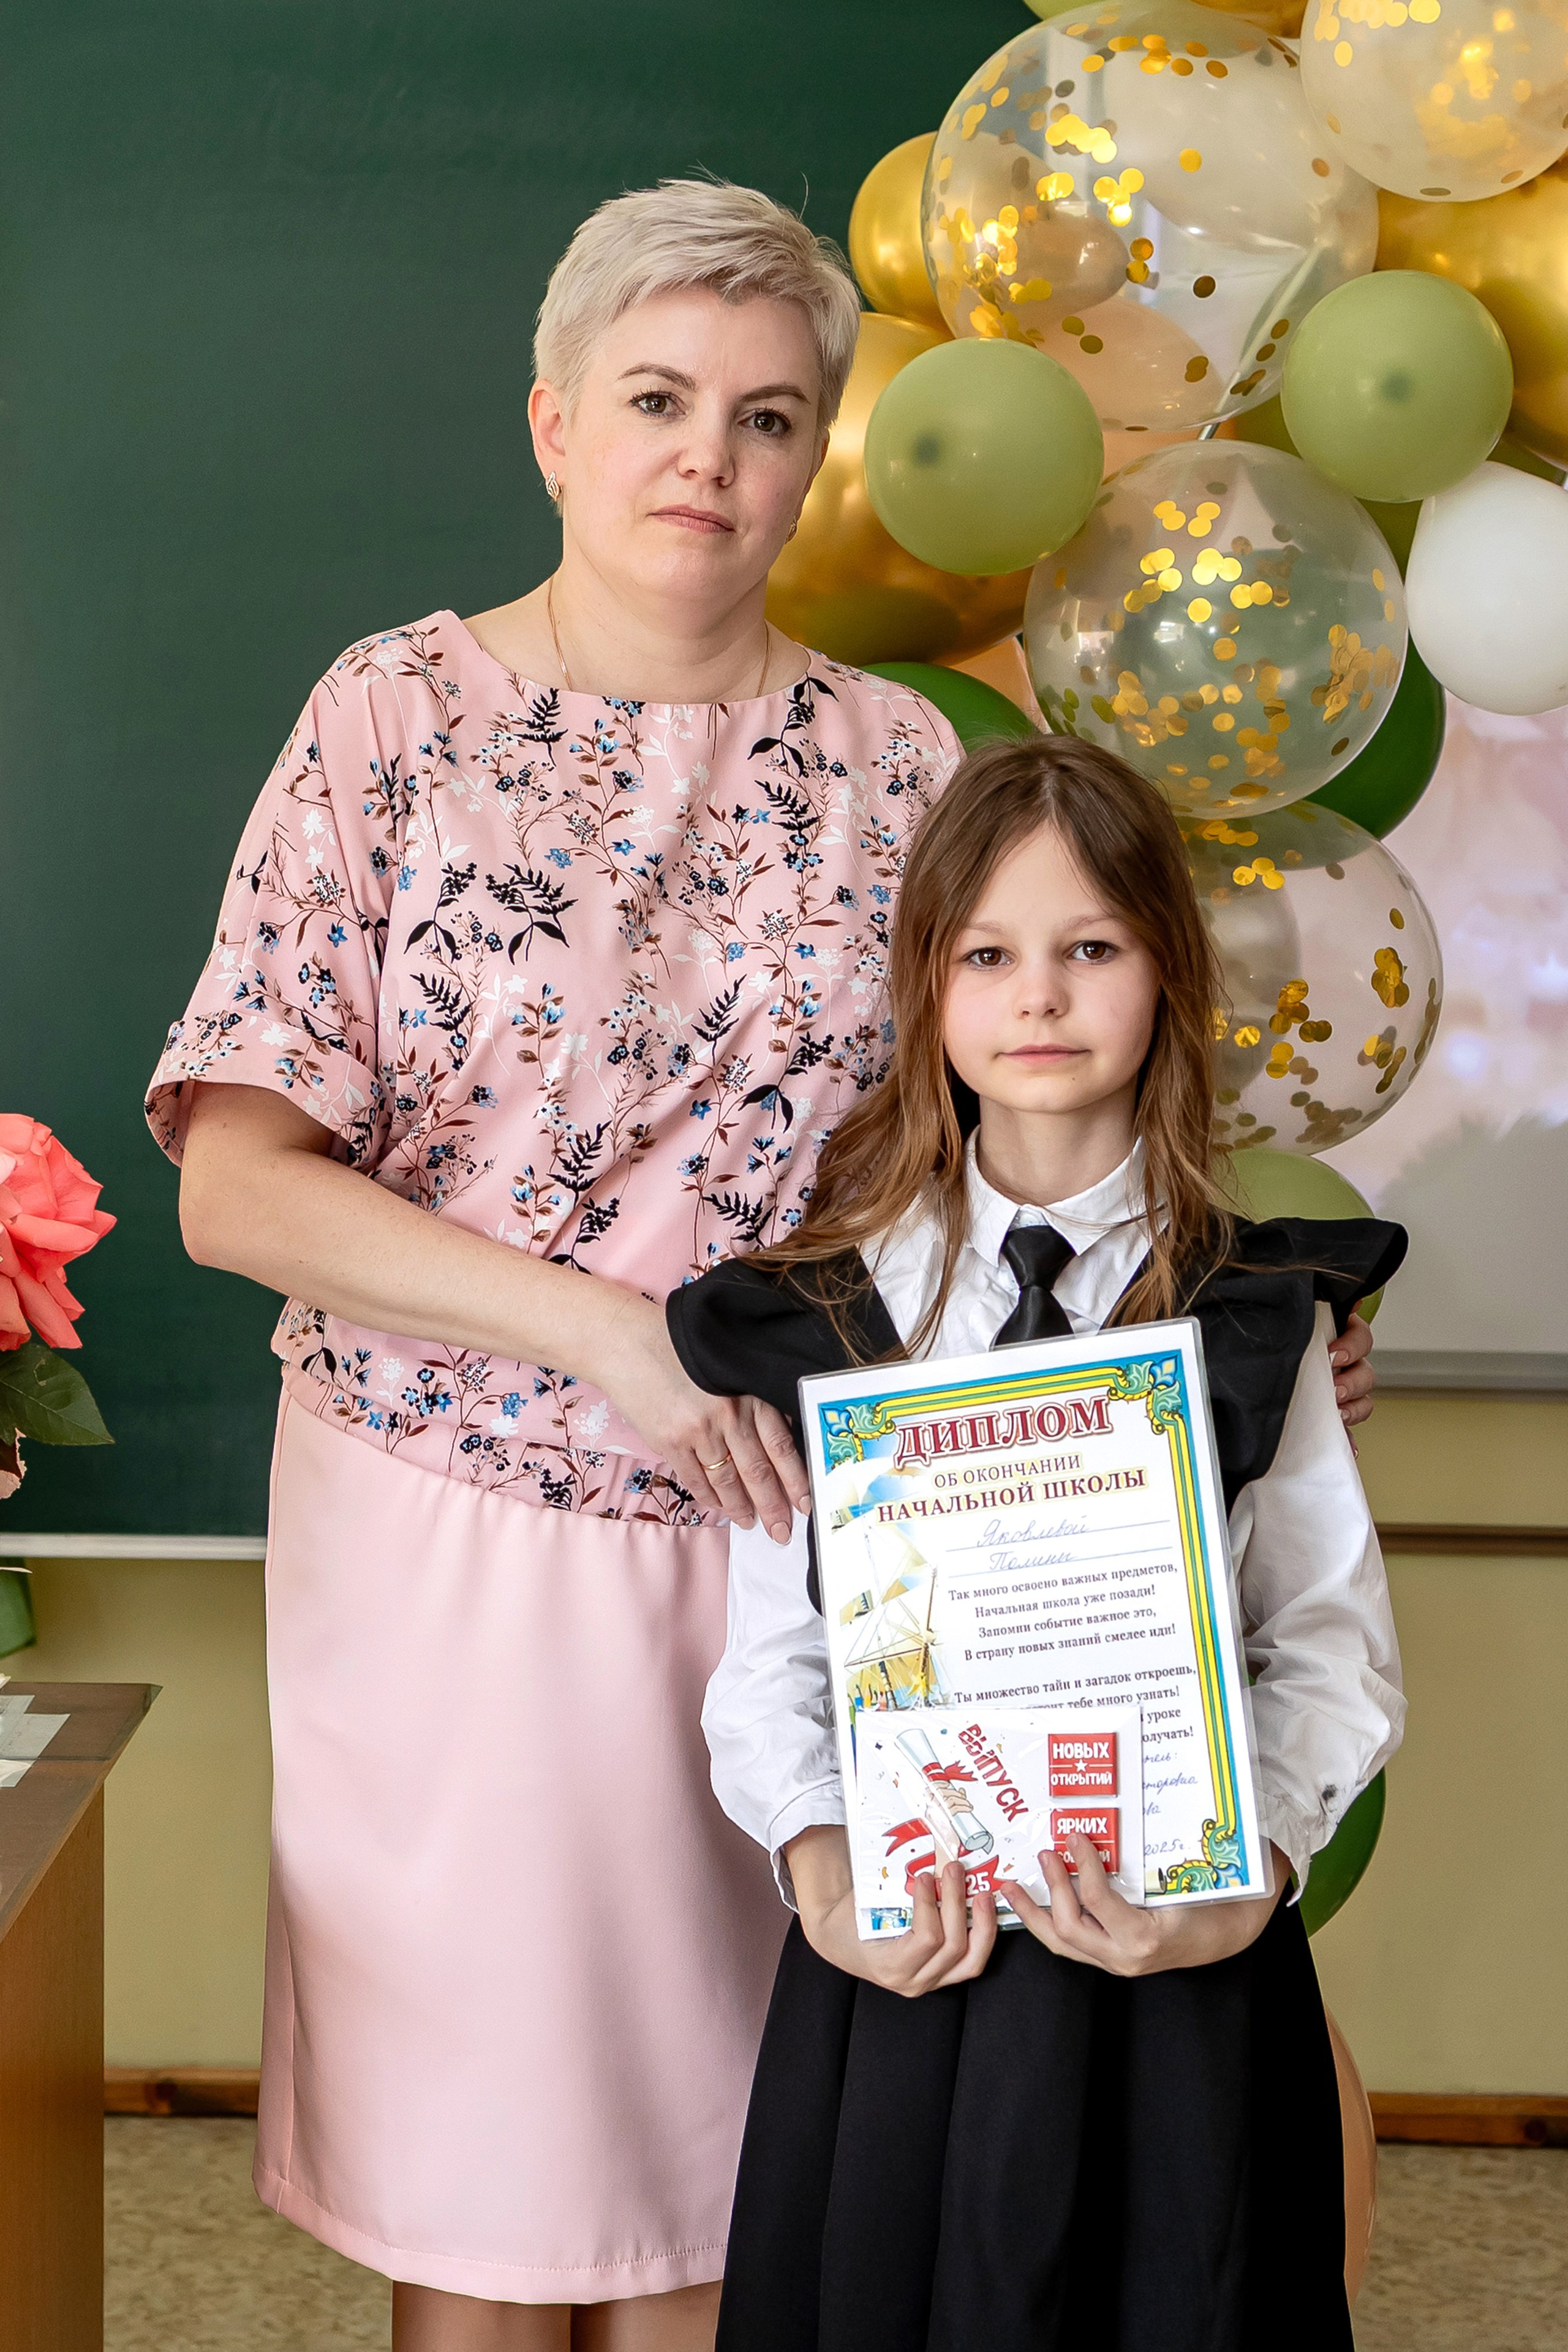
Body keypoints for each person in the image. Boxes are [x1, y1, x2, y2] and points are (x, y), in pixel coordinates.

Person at [146, 178, 1373, 2352]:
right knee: (496, 2202)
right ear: (553, 424)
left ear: (818, 458)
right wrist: (613, 1338)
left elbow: (1006, 1145)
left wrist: (1218, 1342)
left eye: (770, 414)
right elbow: (235, 1190)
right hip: (456, 1542)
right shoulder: (390, 718)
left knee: (765, 2177)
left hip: (823, 1541)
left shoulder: (908, 764)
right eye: (655, 399)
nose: (707, 456)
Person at [667, 736, 1406, 2352]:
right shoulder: (826, 1315)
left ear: (1169, 970)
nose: (1042, 998)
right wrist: (823, 1869)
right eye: (988, 956)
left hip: (1177, 1981)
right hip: (912, 1972)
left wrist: (1247, 1888)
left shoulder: (1258, 1314)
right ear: (927, 986)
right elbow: (774, 1658)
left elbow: (1328, 1644)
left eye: (1093, 947)